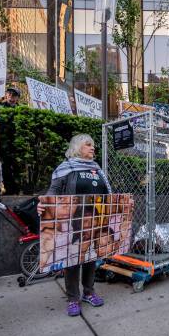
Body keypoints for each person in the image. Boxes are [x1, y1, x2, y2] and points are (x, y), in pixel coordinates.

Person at [37, 134, 108, 316]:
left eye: (93, 145)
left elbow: (109, 193)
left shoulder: (97, 169)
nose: (92, 148)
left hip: (94, 220)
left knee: (91, 257)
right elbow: (52, 192)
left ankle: (89, 292)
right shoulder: (66, 168)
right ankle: (73, 298)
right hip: (72, 221)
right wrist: (44, 205)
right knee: (72, 259)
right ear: (77, 147)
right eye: (88, 145)